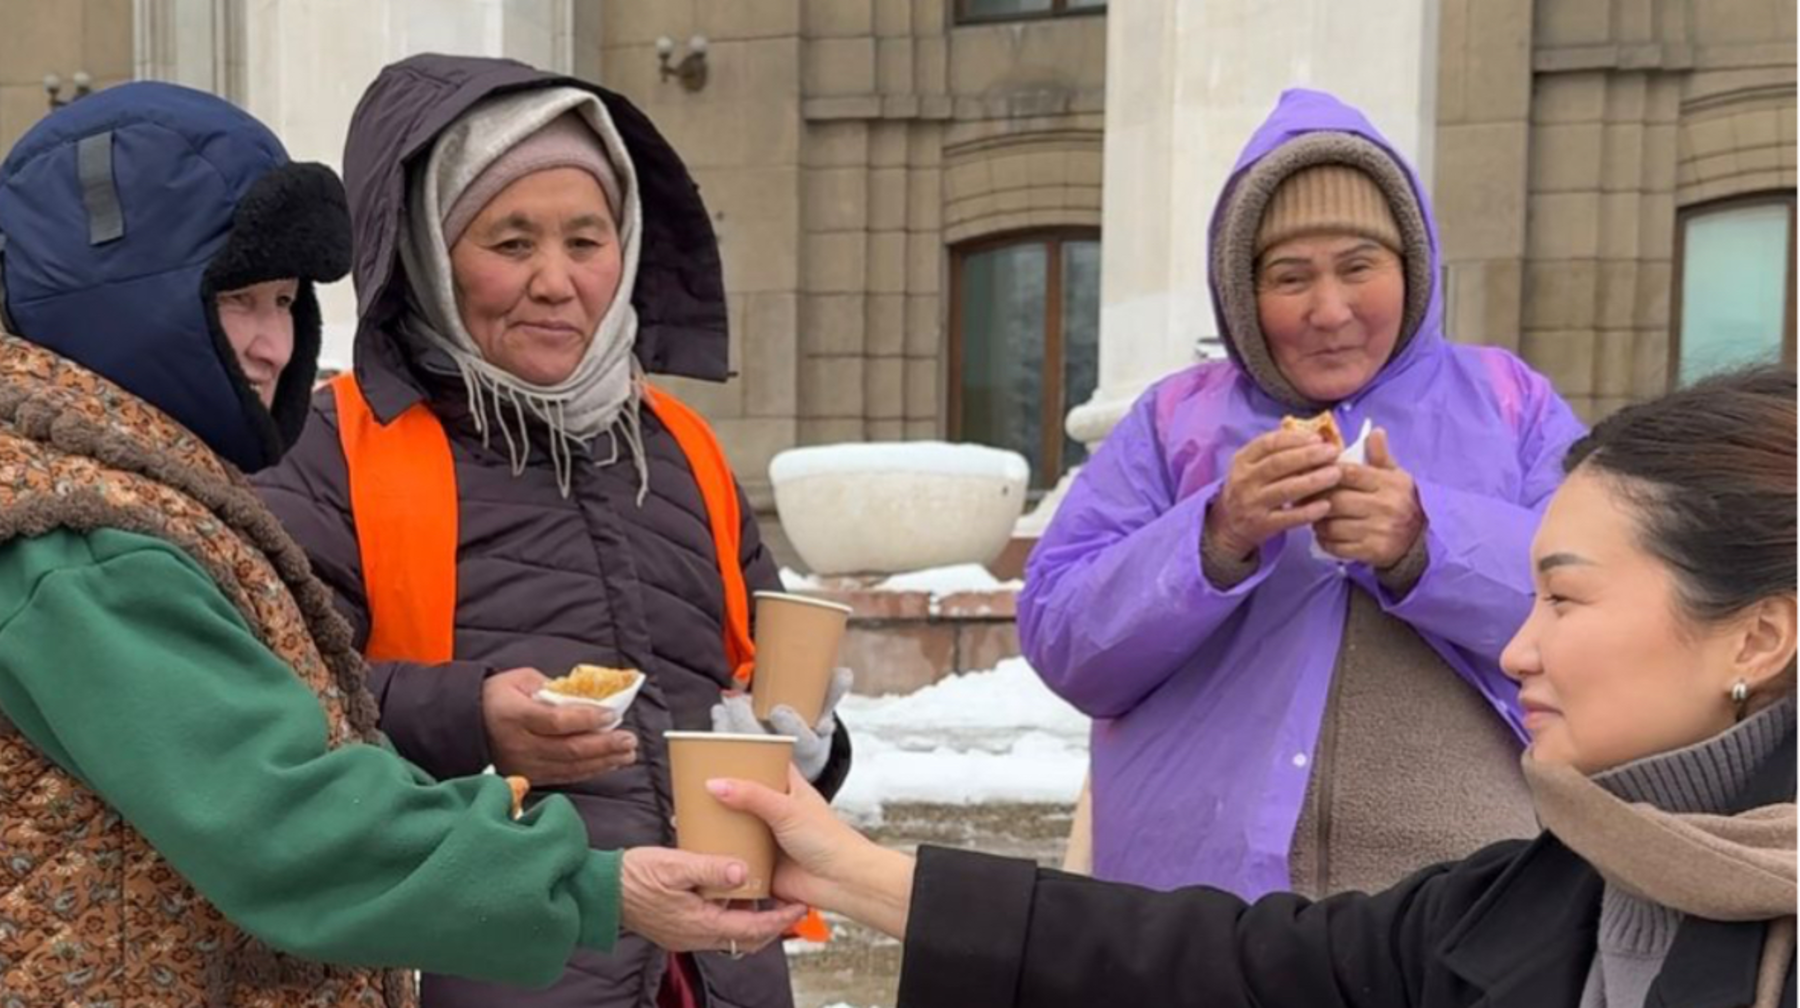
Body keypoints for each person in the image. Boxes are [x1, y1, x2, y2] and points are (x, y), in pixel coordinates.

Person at [0, 81, 803, 1005]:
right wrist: (553, 829)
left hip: (690, 957)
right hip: (501, 953)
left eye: (287, 301)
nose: (272, 344)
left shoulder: (678, 445)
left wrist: (797, 734)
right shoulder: (92, 532)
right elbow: (288, 813)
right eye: (238, 301)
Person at [716, 365, 1798, 1008]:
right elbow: (1227, 962)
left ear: (1757, 638)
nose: (1518, 652)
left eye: (1562, 602)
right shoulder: (1542, 897)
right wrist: (860, 878)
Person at [255, 54, 850, 1008]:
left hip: (717, 971)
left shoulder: (680, 446)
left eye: (587, 239)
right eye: (510, 242)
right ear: (429, 254)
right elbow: (274, 709)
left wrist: (810, 739)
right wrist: (471, 718)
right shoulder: (336, 448)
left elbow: (749, 680)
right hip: (478, 967)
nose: (557, 281)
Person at [1020, 88, 1589, 897]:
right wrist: (1215, 535)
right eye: (1290, 277)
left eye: (1360, 267)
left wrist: (1427, 540)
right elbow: (1063, 640)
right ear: (1243, 294)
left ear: (1412, 265)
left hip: (1466, 902)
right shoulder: (1174, 420)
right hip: (1206, 902)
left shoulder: (1510, 400)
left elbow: (1593, 608)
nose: (1330, 310)